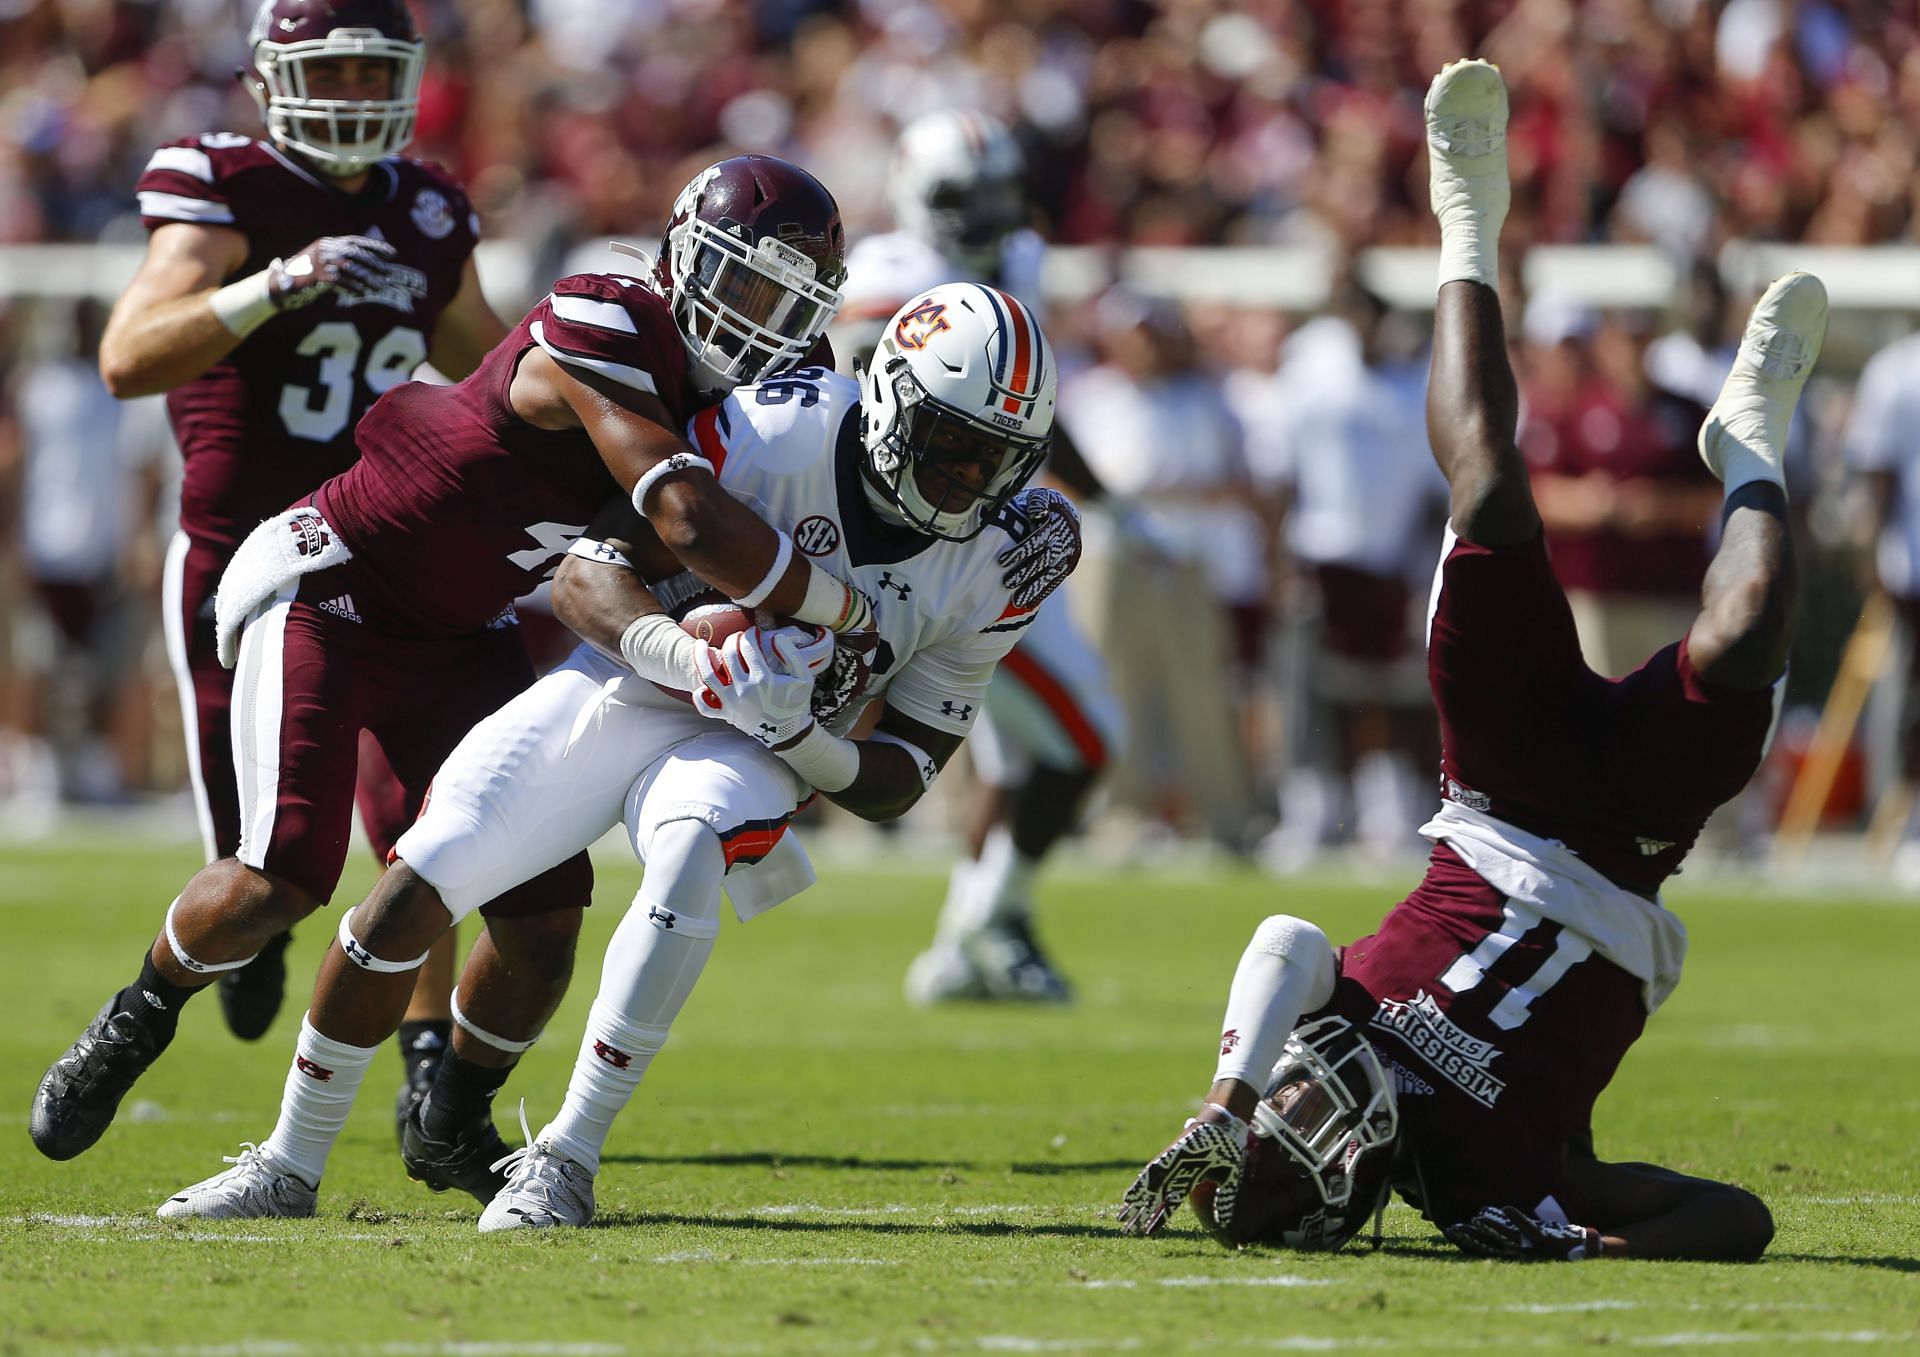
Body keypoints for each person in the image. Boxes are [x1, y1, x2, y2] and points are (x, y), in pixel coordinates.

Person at [153, 281, 1079, 1227]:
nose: (971, 479)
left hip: (762, 745)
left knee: (687, 852)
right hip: (635, 675)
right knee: (426, 870)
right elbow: (586, 579)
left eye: (999, 457)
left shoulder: (1009, 552)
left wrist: (799, 734)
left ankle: (566, 1155)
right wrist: (689, 657)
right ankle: (287, 1162)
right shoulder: (777, 429)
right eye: (954, 444)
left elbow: (904, 774)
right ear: (889, 404)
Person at [30, 154, 872, 1174]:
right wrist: (849, 611)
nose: (760, 317)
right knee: (283, 872)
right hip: (334, 588)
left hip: (464, 628)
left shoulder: (759, 389)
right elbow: (687, 516)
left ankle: (450, 1114)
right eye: (744, 282)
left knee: (546, 917)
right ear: (683, 259)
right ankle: (138, 1014)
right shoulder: (605, 316)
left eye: (789, 299)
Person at [1116, 60, 1817, 1262]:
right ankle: (1749, 443)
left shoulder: (1333, 1032)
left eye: (1281, 1102)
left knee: (1490, 487)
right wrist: (1589, 1247)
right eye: (1295, 1119)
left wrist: (1224, 1106)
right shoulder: (1499, 1189)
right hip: (1624, 844)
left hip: (1497, 783)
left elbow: (1285, 938)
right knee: (1750, 623)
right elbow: (1739, 1221)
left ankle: (1465, 217)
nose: (1301, 1093)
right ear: (1348, 1175)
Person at [100, 0, 510, 1110]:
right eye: (336, 72)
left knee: (427, 821)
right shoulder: (222, 183)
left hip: (379, 558)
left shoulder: (427, 208)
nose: (361, 98)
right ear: (272, 78)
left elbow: (496, 375)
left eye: (380, 76)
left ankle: (428, 1060)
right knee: (256, 860)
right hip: (245, 571)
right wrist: (276, 284)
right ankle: (259, 941)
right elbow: (128, 355)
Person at [840, 109, 1124, 1004]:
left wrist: (1107, 498)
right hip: (936, 552)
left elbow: (1026, 403)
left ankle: (977, 941)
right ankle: (979, 929)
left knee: (1010, 757)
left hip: (983, 533)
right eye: (964, 195)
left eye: (999, 190)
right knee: (1085, 739)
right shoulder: (893, 278)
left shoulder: (1016, 263)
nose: (986, 212)